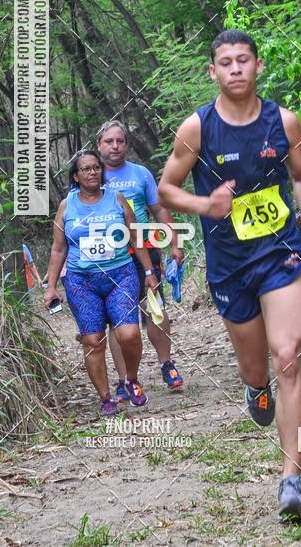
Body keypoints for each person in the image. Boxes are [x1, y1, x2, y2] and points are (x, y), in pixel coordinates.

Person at [158, 29, 301, 523]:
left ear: (257, 66)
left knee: (288, 356)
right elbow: (167, 189)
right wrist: (205, 204)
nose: (235, 69)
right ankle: (255, 388)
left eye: (243, 60)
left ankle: (291, 480)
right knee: (258, 371)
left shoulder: (283, 121)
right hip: (230, 265)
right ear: (213, 72)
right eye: (225, 62)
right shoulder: (197, 130)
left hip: (280, 253)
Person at [44, 149, 158, 415]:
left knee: (128, 333)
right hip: (81, 280)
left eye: (96, 167)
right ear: (76, 175)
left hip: (120, 274)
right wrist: (51, 287)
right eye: (86, 169)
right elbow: (58, 249)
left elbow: (135, 237)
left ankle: (131, 380)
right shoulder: (66, 206)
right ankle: (106, 397)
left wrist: (150, 272)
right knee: (93, 339)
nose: (93, 172)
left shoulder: (116, 199)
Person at [96, 121, 185, 397]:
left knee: (155, 308)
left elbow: (158, 210)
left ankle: (166, 364)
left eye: (120, 141)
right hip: (111, 257)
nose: (115, 146)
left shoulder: (141, 174)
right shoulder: (90, 175)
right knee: (118, 320)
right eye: (109, 141)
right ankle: (125, 381)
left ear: (127, 144)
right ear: (99, 145)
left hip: (145, 251)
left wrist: (175, 242)